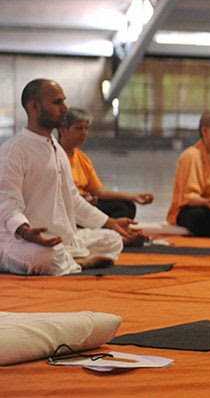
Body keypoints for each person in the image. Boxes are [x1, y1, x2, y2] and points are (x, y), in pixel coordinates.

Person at [0, 79, 138, 275]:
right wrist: (25, 231)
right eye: (57, 102)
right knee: (48, 257)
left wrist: (110, 222)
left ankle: (72, 259)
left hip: (57, 237)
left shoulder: (56, 148)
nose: (65, 108)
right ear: (34, 106)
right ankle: (78, 262)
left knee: (112, 240)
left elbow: (72, 199)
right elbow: (6, 203)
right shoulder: (14, 151)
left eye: (64, 101)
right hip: (18, 239)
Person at [57, 108, 154, 219]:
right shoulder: (54, 156)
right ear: (63, 130)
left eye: (86, 128)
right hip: (65, 207)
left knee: (126, 205)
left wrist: (133, 196)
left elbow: (98, 191)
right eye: (78, 128)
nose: (84, 133)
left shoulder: (82, 158)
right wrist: (80, 198)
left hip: (84, 204)